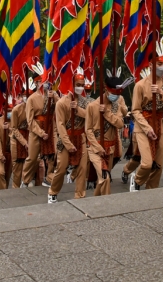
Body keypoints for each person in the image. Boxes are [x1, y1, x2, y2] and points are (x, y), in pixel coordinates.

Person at [131, 61, 163, 191]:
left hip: (160, 126)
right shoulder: (140, 85)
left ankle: (152, 189)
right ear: (151, 65)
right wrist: (147, 128)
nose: (162, 67)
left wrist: (160, 93)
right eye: (159, 63)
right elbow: (135, 110)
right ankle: (136, 180)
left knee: (158, 164)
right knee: (147, 163)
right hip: (143, 127)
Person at [85, 69, 130, 197]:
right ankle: (106, 205)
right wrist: (97, 147)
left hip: (109, 149)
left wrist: (107, 113)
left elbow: (120, 123)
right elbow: (88, 130)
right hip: (95, 148)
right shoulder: (92, 106)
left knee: (103, 180)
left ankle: (95, 201)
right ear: (106, 89)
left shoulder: (116, 106)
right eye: (113, 92)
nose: (115, 96)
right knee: (105, 177)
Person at [48, 70, 90, 203]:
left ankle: (80, 195)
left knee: (83, 168)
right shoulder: (61, 103)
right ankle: (53, 191)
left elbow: (90, 117)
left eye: (82, 85)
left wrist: (78, 110)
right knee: (61, 169)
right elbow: (60, 125)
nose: (80, 87)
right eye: (78, 84)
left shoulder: (85, 102)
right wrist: (68, 144)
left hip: (81, 139)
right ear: (72, 84)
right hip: (66, 140)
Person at [26, 65, 57, 188]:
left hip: (50, 127)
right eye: (40, 82)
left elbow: (60, 106)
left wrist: (53, 96)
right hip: (37, 130)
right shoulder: (31, 99)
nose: (43, 84)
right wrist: (40, 132)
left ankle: (49, 177)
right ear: (36, 83)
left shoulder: (52, 94)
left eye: (44, 81)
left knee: (52, 155)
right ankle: (26, 179)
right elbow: (30, 119)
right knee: (32, 158)